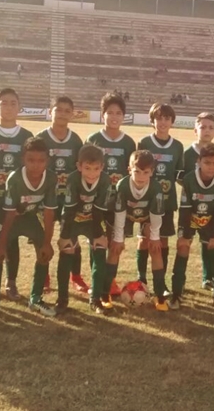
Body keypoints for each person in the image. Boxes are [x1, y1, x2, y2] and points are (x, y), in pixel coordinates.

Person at [0, 137, 58, 318]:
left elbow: (49, 213)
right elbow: (10, 213)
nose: (36, 165)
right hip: (8, 218)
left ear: (47, 161)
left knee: (44, 251)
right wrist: (2, 243)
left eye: (41, 160)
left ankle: (35, 298)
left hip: (29, 217)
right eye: (31, 160)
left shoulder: (51, 178)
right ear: (23, 160)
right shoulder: (15, 178)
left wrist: (47, 242)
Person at [0, 88, 33, 302]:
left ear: (19, 108)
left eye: (13, 103)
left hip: (17, 199)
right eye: (4, 103)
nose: (8, 107)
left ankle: (11, 283)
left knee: (12, 241)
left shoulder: (27, 137)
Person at [86, 93, 136, 297]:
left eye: (118, 113)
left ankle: (110, 281)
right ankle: (96, 281)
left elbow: (131, 172)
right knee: (96, 242)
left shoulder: (129, 143)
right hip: (96, 201)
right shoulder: (93, 139)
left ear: (123, 116)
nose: (114, 117)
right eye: (109, 113)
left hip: (119, 203)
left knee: (116, 244)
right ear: (102, 115)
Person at [36, 97, 87, 293]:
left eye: (67, 110)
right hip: (45, 198)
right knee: (43, 239)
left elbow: (81, 169)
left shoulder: (75, 140)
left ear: (72, 114)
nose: (63, 113)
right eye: (59, 110)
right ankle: (45, 277)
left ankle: (76, 276)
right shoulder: (41, 138)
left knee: (72, 238)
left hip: (68, 198)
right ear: (51, 112)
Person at [173, 143, 214, 311]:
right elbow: (185, 208)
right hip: (190, 218)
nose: (211, 167)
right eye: (207, 162)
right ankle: (176, 294)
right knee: (183, 248)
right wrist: (183, 234)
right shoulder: (189, 179)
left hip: (210, 220)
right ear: (199, 161)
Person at [110, 150, 168, 311]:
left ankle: (159, 295)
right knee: (114, 249)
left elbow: (156, 216)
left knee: (156, 249)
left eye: (146, 172)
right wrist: (119, 238)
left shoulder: (155, 188)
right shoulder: (122, 185)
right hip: (126, 216)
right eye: (137, 171)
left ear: (152, 172)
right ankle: (105, 292)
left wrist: (155, 237)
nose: (141, 176)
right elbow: (120, 214)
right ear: (129, 170)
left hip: (148, 218)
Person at [137, 103, 184, 294]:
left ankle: (161, 281)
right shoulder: (144, 143)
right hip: (146, 201)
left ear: (172, 121)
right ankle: (141, 279)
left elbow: (179, 174)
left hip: (167, 202)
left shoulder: (178, 146)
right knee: (144, 239)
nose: (162, 122)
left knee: (163, 241)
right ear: (152, 121)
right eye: (159, 118)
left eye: (166, 118)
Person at [58, 145, 111, 314]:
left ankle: (95, 299)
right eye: (87, 168)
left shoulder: (105, 180)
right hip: (72, 220)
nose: (91, 173)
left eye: (96, 169)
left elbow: (99, 210)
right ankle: (62, 299)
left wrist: (98, 235)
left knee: (100, 251)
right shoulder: (73, 179)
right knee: (66, 254)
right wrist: (64, 236)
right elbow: (69, 209)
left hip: (92, 221)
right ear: (79, 166)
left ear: (102, 167)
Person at [182, 113, 214, 292]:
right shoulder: (188, 153)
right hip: (191, 205)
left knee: (209, 240)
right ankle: (181, 281)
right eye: (203, 127)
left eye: (210, 127)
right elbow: (182, 177)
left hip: (211, 206)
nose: (206, 131)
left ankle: (208, 277)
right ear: (195, 130)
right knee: (185, 241)